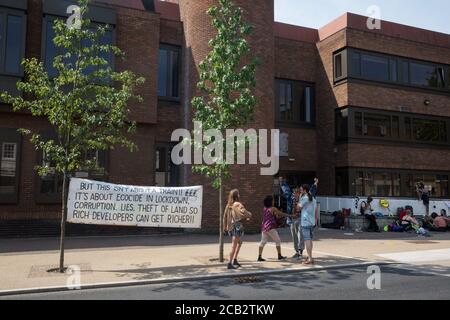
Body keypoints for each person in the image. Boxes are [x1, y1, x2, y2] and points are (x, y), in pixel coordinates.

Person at [279, 177, 319, 259]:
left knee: (300, 235)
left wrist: (315, 183)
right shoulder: (292, 196)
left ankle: (300, 251)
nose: (297, 192)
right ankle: (298, 251)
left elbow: (312, 191)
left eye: (299, 190)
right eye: (296, 191)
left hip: (301, 218)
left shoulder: (304, 197)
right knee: (295, 235)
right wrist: (282, 182)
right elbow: (286, 190)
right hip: (294, 218)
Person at [223, 189, 252, 270]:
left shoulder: (229, 204)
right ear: (236, 196)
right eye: (238, 194)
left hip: (231, 227)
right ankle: (230, 263)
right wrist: (249, 215)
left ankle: (235, 260)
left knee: (239, 243)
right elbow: (245, 212)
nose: (239, 195)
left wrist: (225, 227)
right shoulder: (238, 204)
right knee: (234, 245)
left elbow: (224, 216)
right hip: (237, 226)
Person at [257, 195, 291, 262]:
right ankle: (279, 255)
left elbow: (267, 217)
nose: (273, 201)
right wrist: (290, 215)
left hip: (264, 227)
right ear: (270, 202)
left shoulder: (265, 209)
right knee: (278, 240)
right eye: (272, 200)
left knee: (263, 242)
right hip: (270, 227)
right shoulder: (273, 208)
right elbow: (281, 213)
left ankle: (259, 257)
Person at [297, 184, 317, 265]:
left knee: (307, 240)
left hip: (305, 221)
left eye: (301, 190)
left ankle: (310, 258)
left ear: (304, 190)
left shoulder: (304, 198)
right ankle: (310, 257)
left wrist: (299, 198)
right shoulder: (313, 198)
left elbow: (298, 208)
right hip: (312, 221)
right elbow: (316, 210)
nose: (300, 191)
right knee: (310, 240)